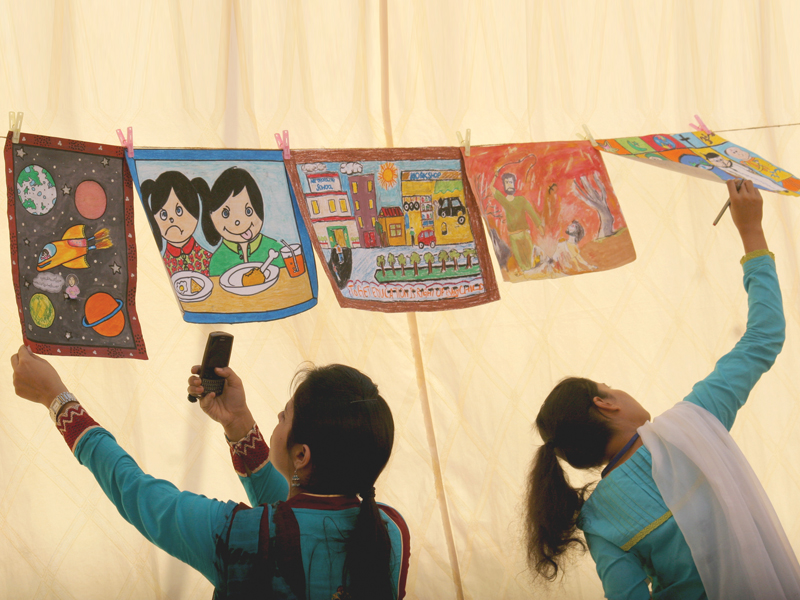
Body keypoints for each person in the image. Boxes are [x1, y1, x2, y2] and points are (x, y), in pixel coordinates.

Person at [524, 179, 800, 599]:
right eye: (609, 385)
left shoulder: (598, 520)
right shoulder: (695, 421)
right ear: (606, 404)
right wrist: (751, 232)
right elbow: (765, 336)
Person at [10, 354, 410, 599]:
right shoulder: (389, 531)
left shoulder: (239, 537)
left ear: (301, 455)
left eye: (285, 416)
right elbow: (292, 517)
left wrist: (57, 398)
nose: (276, 417)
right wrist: (237, 423)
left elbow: (137, 493)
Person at [194, 167, 285, 276]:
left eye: (248, 211)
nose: (238, 221)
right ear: (212, 215)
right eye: (226, 214)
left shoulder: (274, 249)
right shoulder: (218, 260)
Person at [141, 170, 213, 276]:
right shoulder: (159, 267)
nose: (171, 219)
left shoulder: (207, 259)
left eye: (179, 211)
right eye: (163, 214)